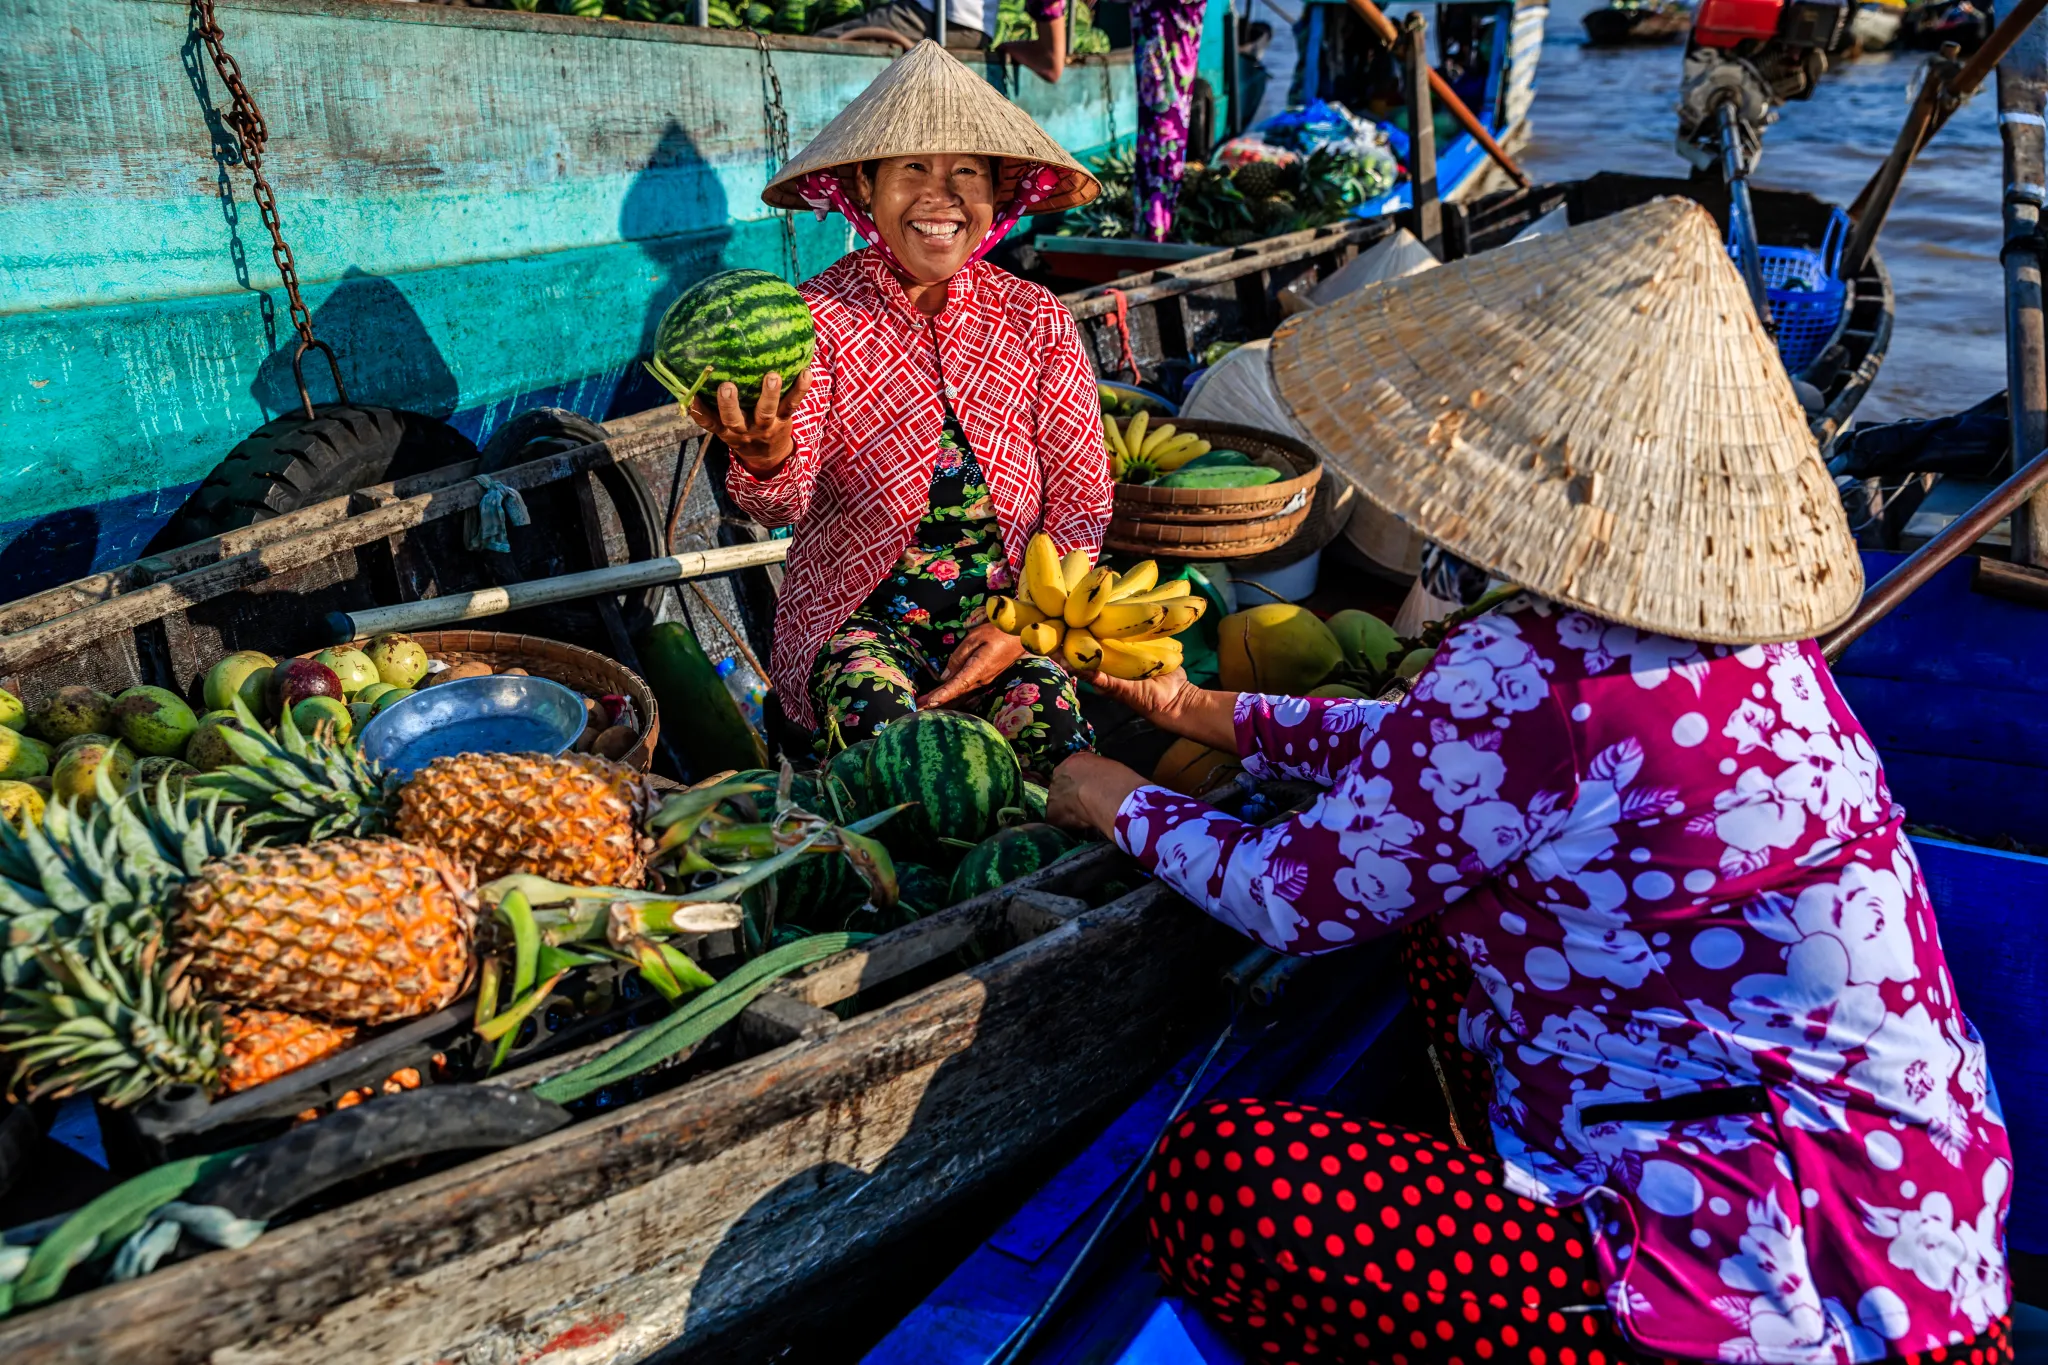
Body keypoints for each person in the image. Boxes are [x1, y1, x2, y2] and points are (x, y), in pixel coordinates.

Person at [1046, 199, 2015, 1363]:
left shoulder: (1532, 675)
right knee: (1435, 918)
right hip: (1918, 1233)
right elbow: (1440, 761)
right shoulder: (1743, 644)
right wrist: (1215, 715)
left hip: (1773, 1282)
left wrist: (1105, 792)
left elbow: (1294, 897)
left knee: (1225, 1180)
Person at [701, 42, 1111, 778]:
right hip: (855, 624)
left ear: (995, 195)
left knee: (1060, 756)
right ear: (866, 186)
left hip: (1008, 620)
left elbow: (1082, 499)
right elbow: (781, 503)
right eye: (912, 169)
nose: (939, 197)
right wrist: (764, 454)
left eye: (965, 173)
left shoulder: (1034, 318)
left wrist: (1024, 628)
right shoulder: (817, 319)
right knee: (898, 766)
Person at [814, 0, 1068, 82]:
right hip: (972, 27)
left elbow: (1051, 65)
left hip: (938, 16)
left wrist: (1049, 55)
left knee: (821, 45)